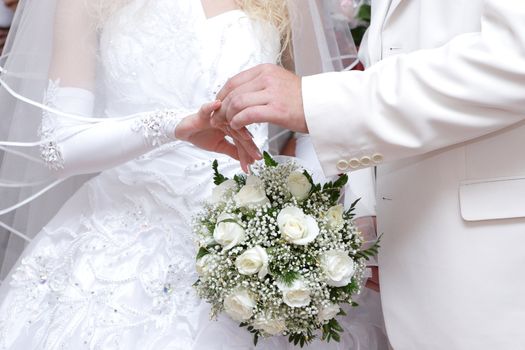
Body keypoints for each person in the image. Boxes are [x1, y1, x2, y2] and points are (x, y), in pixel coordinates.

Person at [0, 0, 388, 348]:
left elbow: (313, 120)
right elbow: (59, 145)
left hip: (255, 233)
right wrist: (174, 126)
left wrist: (304, 218)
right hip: (121, 239)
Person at [214, 0, 525, 349]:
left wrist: (316, 102)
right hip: (414, 257)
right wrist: (367, 206)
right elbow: (386, 50)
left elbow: (517, 56)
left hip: (495, 269)